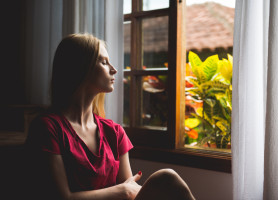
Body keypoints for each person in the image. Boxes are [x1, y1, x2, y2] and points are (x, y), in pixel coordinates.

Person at [25, 33, 196, 200]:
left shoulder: (113, 131)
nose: (114, 70)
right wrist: (122, 191)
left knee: (167, 178)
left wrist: (125, 191)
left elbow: (131, 193)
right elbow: (62, 197)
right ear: (81, 67)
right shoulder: (47, 128)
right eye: (104, 62)